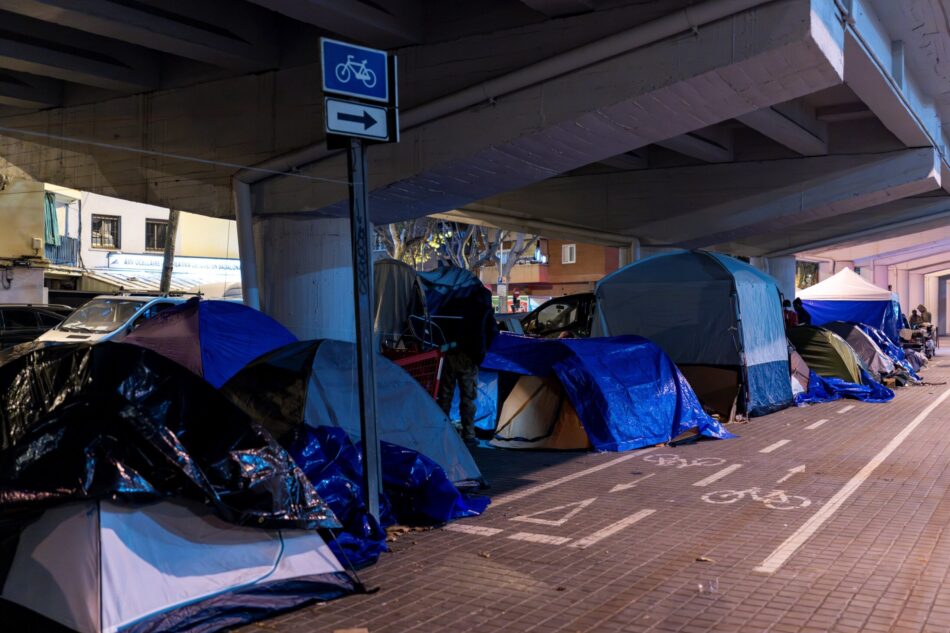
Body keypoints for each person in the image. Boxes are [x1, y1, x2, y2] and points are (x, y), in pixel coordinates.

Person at [436, 285, 498, 446]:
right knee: (468, 396)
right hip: (470, 356)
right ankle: (469, 433)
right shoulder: (483, 309)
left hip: (449, 354)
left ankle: (441, 431)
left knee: (445, 395)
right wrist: (481, 353)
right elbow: (492, 332)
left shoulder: (452, 304)